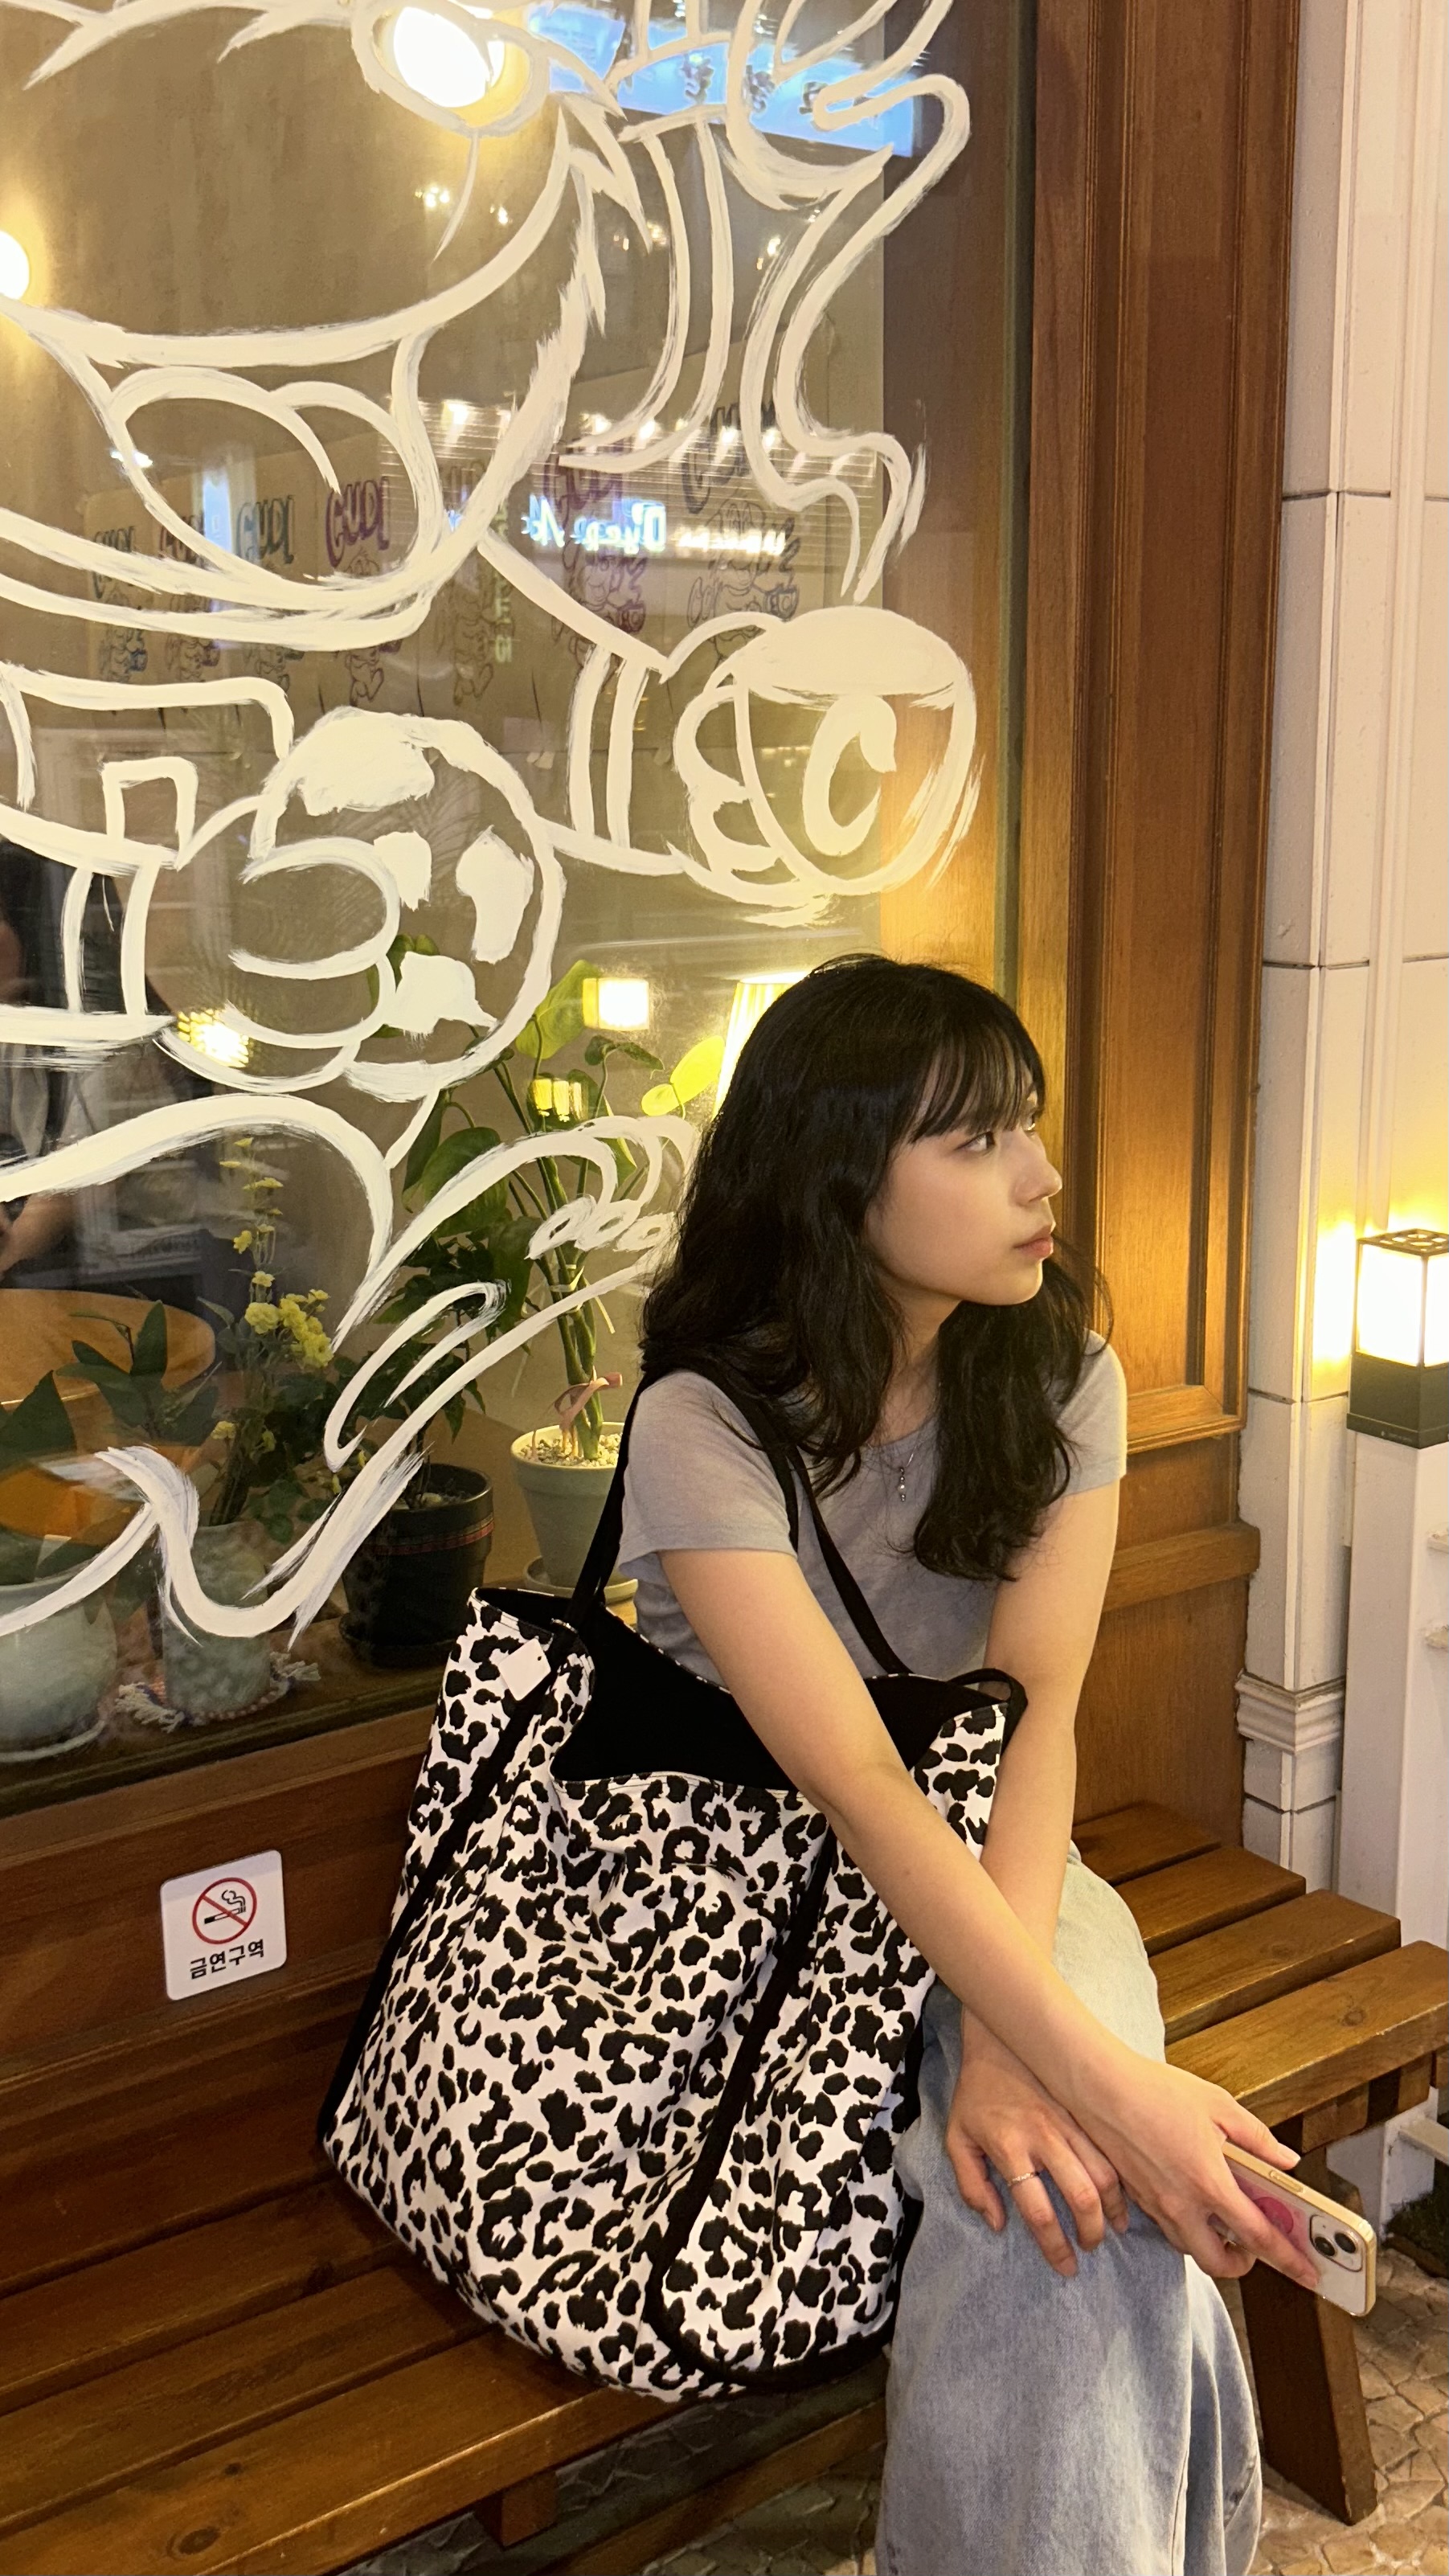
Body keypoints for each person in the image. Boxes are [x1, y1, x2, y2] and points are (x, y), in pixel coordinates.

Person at [616, 956, 1314, 2576]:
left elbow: (1035, 1711)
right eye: (979, 1140)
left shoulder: (1059, 1374)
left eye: (1030, 1128)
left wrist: (1019, 2046)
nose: (1041, 1177)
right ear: (838, 1175)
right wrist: (1107, 2081)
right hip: (751, 1901)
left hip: (1002, 1845)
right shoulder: (703, 1420)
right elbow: (859, 1786)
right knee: (1098, 2169)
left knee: (1057, 2191)